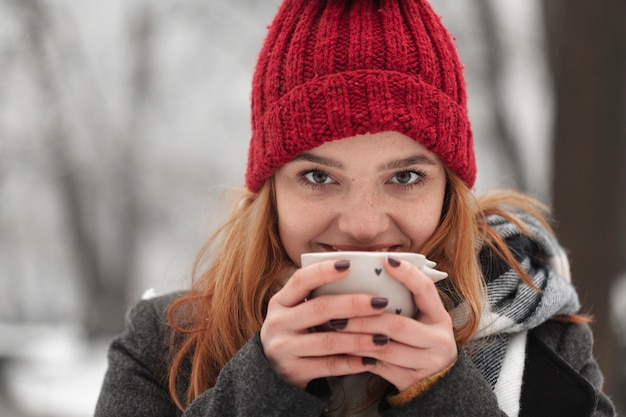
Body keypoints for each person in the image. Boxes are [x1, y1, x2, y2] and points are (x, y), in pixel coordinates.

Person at [95, 0, 616, 416]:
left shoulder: (545, 344)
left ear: (448, 189)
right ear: (270, 190)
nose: (364, 226)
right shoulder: (166, 346)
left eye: (406, 177)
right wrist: (262, 390)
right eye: (318, 177)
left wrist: (443, 394)